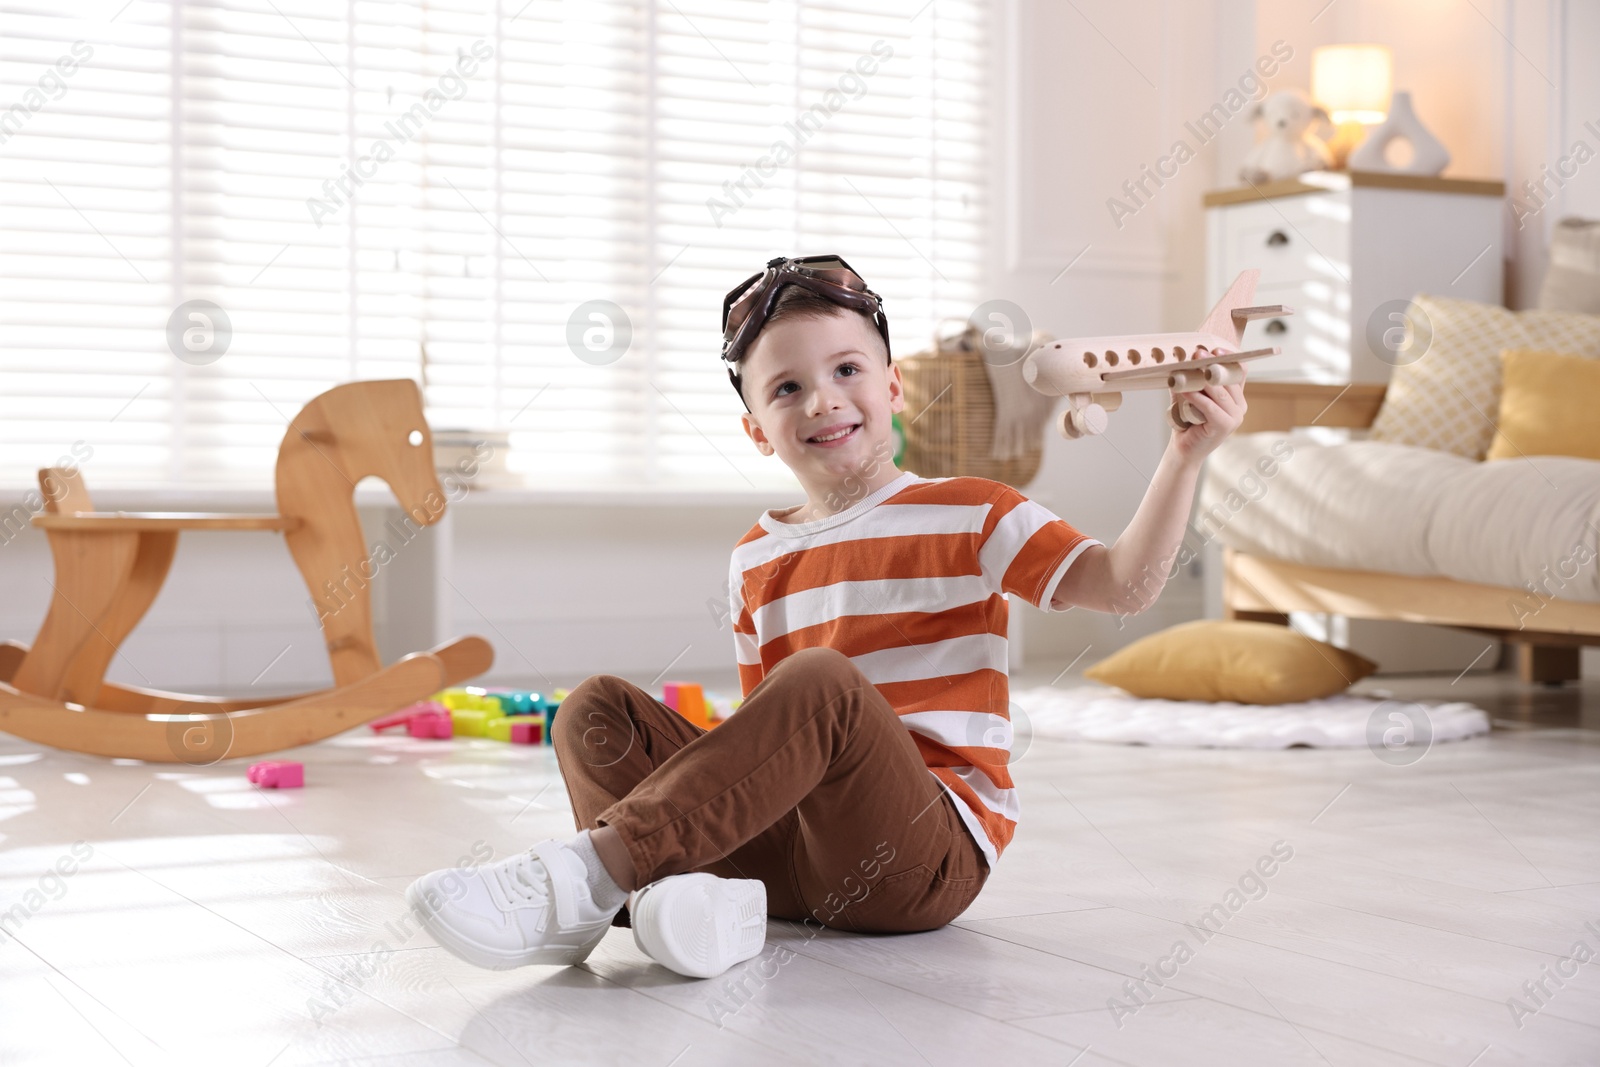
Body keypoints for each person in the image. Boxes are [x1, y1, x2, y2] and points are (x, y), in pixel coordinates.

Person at [406, 254, 1248, 979]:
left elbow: (1123, 585)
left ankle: (586, 876)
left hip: (918, 857)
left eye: (847, 371)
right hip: (803, 852)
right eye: (788, 387)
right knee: (595, 710)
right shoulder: (756, 556)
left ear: (892, 387)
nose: (823, 400)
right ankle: (679, 903)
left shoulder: (973, 510)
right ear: (757, 429)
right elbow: (759, 750)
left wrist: (1185, 457)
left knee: (823, 682)